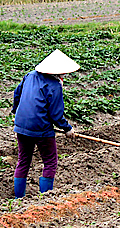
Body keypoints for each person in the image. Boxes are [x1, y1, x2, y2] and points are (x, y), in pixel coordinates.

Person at [11, 49, 80, 198]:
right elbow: (55, 115)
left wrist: (15, 113)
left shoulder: (29, 76)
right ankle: (45, 198)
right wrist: (67, 128)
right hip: (41, 129)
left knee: (23, 161)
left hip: (21, 125)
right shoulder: (54, 85)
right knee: (50, 162)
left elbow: (17, 94)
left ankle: (18, 199)